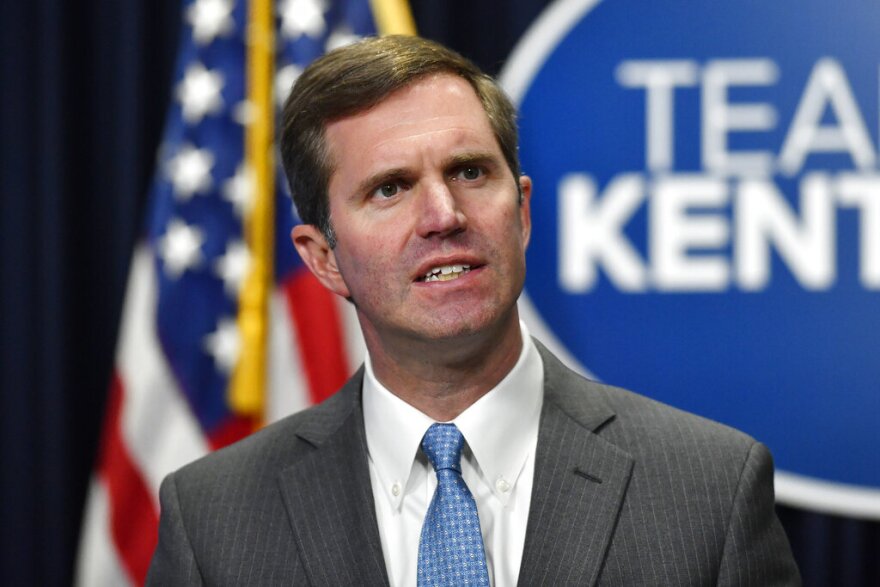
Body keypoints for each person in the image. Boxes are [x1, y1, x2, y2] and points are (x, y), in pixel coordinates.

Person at [147, 35, 800, 586]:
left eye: (469, 171)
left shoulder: (708, 488)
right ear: (323, 258)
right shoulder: (212, 520)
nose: (443, 215)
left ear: (521, 212)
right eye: (390, 187)